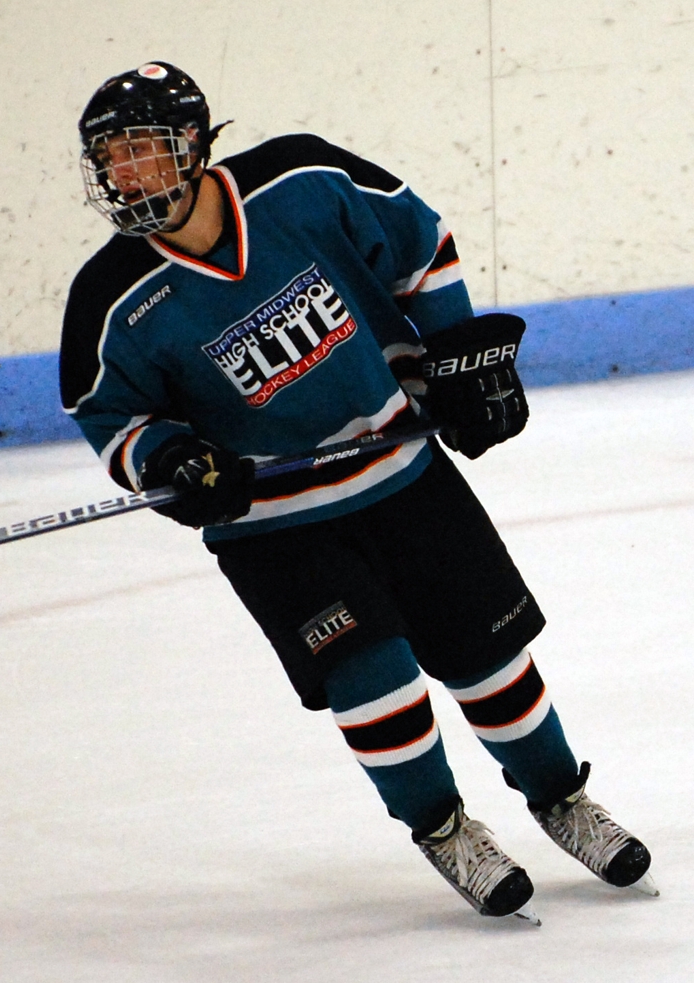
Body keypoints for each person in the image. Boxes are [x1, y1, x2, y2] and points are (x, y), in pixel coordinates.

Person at [59, 61, 656, 922]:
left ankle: (562, 798)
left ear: (192, 145)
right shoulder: (110, 300)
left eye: (142, 152)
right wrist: (171, 461)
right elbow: (111, 415)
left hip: (402, 477)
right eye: (110, 160)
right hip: (274, 526)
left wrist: (455, 358)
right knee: (370, 675)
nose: (126, 176)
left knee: (487, 657)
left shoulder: (302, 181)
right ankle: (444, 827)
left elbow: (419, 242)